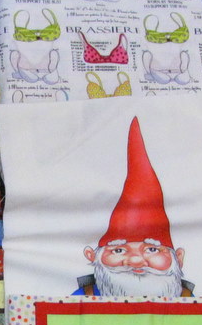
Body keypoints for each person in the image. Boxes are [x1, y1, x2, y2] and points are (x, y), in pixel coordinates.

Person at [75, 117, 195, 297]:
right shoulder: (84, 296)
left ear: (178, 258)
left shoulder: (186, 298)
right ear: (91, 256)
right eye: (118, 250)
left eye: (152, 249)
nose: (136, 261)